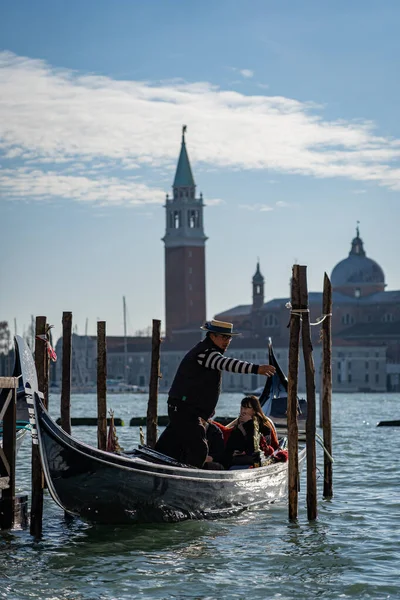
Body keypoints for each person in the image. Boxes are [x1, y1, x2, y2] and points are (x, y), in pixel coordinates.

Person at [155, 319, 276, 468]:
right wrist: (256, 369)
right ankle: (192, 481)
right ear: (212, 336)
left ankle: (154, 463)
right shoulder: (206, 353)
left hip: (184, 408)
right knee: (199, 448)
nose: (227, 341)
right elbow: (227, 364)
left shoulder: (208, 352)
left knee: (168, 444)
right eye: (224, 337)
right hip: (185, 409)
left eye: (229, 337)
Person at [222, 395, 279, 469]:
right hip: (237, 457)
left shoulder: (264, 426)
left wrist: (248, 424)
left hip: (254, 458)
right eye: (241, 408)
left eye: (246, 408)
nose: (242, 411)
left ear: (254, 410)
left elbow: (255, 448)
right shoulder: (239, 424)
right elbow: (231, 443)